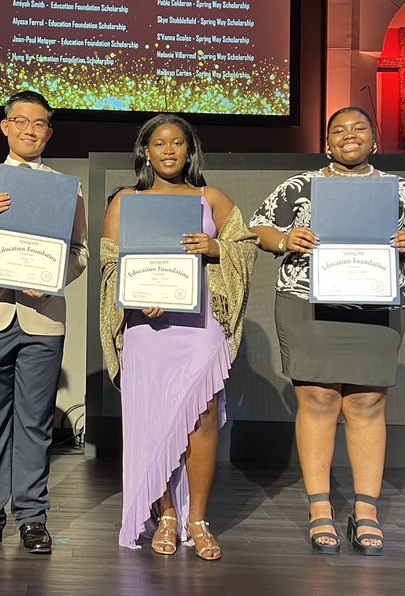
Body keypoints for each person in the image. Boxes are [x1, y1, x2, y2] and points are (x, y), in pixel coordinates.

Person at [249, 107, 405, 556]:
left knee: (367, 402)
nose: (349, 136)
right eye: (338, 130)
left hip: (375, 305)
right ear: (326, 144)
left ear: (375, 140)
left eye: (359, 128)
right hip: (308, 305)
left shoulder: (398, 189)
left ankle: (366, 510)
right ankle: (320, 509)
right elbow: (257, 228)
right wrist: (286, 239)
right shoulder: (300, 186)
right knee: (318, 398)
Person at [98, 114, 257, 560]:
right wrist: (135, 297)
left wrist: (217, 248)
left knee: (202, 416)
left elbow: (245, 244)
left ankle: (198, 518)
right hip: (148, 328)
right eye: (159, 143)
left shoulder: (210, 197)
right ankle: (165, 513)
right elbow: (111, 263)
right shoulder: (126, 200)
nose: (169, 150)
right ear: (145, 152)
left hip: (200, 324)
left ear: (190, 151)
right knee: (155, 418)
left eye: (178, 143)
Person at [0, 90, 88, 555]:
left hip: (42, 319)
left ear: (49, 132)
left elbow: (80, 253)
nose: (31, 130)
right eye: (22, 121)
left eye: (41, 124)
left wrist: (53, 279)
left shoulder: (66, 186)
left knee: (35, 423)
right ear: (5, 126)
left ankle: (32, 517)